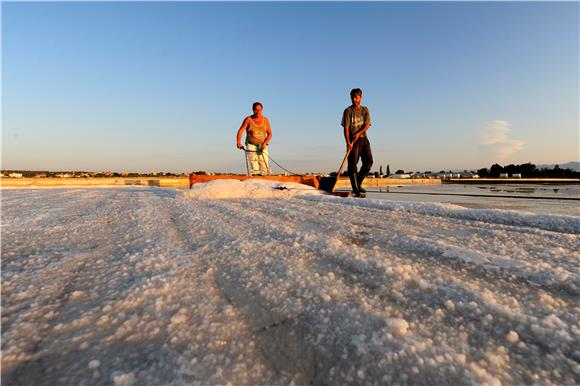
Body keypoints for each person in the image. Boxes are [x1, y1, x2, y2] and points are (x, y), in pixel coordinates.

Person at [341, 88, 373, 197]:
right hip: (352, 141)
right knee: (352, 164)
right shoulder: (348, 111)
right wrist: (347, 142)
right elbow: (345, 128)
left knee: (369, 162)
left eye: (356, 97)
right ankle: (355, 190)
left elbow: (367, 125)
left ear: (361, 97)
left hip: (363, 139)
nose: (354, 100)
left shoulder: (365, 110)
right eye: (352, 97)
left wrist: (359, 133)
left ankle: (358, 183)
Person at [236, 102, 272, 176]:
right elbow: (240, 131)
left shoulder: (265, 120)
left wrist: (265, 143)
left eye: (259, 110)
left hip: (262, 145)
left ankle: (265, 179)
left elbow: (270, 134)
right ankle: (255, 179)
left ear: (262, 110)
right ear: (253, 110)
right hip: (251, 145)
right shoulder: (248, 119)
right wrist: (238, 142)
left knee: (264, 162)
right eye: (256, 110)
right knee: (254, 164)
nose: (258, 112)